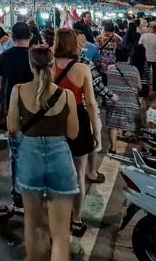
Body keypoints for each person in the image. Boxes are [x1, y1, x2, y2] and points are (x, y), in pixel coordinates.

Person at [7, 45, 79, 261]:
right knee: (60, 234)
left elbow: (12, 127)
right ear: (53, 66)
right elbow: (73, 134)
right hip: (60, 158)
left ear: (31, 65)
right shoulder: (66, 95)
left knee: (32, 223)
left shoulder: (18, 91)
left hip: (29, 156)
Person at [52, 28, 99, 237]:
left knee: (55, 172)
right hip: (78, 119)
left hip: (53, 120)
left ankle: (56, 217)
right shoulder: (82, 68)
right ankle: (76, 219)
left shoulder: (47, 66)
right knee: (78, 173)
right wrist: (96, 130)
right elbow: (90, 102)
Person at [0, 22, 33, 214]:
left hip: (12, 109)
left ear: (13, 36)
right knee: (33, 151)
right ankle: (32, 193)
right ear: (30, 37)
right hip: (35, 112)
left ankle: (18, 198)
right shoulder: (36, 57)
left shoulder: (5, 56)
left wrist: (1, 107)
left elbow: (1, 83)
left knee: (16, 154)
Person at [76, 30, 116, 184]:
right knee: (92, 141)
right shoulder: (85, 63)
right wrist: (111, 95)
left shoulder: (54, 62)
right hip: (84, 106)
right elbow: (96, 87)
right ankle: (90, 172)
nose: (84, 45)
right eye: (81, 42)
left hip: (64, 110)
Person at [105, 47, 142, 153]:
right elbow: (139, 87)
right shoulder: (134, 69)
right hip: (129, 101)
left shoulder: (110, 68)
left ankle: (113, 147)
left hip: (113, 99)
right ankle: (134, 151)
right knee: (129, 124)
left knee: (113, 125)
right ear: (128, 57)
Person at [139, 23, 156, 92]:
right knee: (155, 75)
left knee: (144, 74)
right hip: (155, 58)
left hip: (145, 57)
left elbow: (140, 45)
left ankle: (145, 88)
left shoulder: (143, 36)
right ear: (155, 29)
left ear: (149, 28)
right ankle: (155, 89)